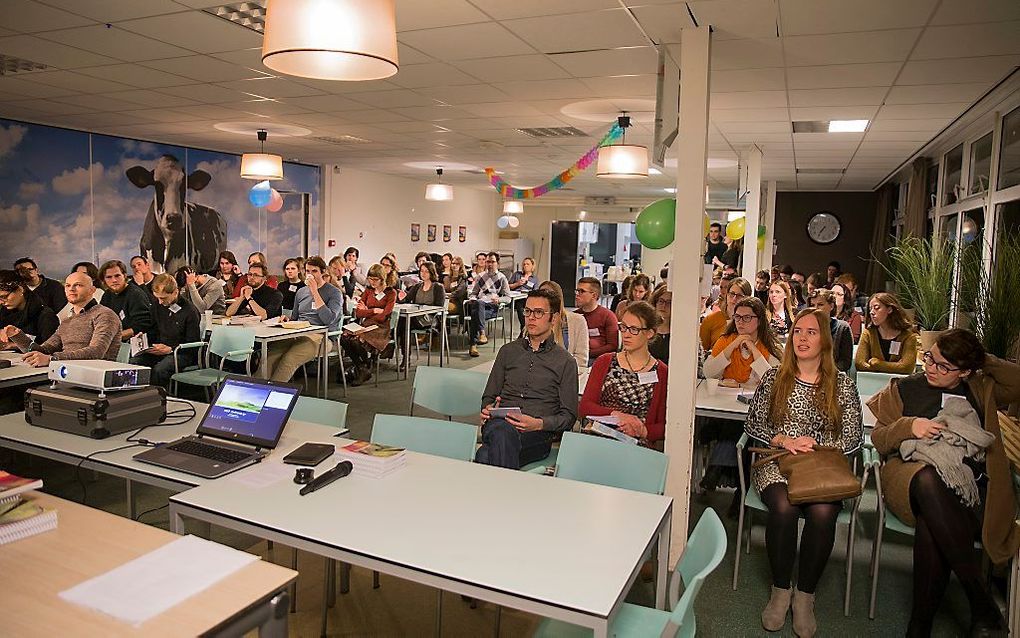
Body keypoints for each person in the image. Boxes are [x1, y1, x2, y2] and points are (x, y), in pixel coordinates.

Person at [868, 329, 1020, 636]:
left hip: (970, 487)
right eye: (929, 359)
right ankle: (979, 601)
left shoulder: (980, 387)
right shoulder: (903, 387)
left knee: (932, 523)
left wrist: (981, 359)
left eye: (943, 366)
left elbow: (1017, 382)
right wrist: (910, 426)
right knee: (928, 480)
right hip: (909, 475)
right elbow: (879, 439)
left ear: (965, 371)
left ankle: (920, 624)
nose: (931, 369)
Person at [744, 308, 863, 636]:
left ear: (825, 340)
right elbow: (753, 422)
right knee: (784, 507)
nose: (803, 338)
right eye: (798, 331)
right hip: (777, 461)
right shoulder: (774, 376)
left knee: (823, 512)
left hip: (822, 464)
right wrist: (783, 438)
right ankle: (781, 591)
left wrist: (815, 441)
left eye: (811, 332)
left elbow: (853, 436)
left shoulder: (841, 384)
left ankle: (805, 596)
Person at [475, 289, 578, 469]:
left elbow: (568, 417)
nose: (531, 317)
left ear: (553, 319)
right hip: (500, 424)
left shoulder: (565, 362)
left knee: (484, 454)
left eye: (538, 312)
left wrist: (538, 424)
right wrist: (488, 408)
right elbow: (488, 396)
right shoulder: (508, 352)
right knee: (502, 431)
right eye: (528, 311)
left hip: (536, 435)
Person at [580, 301, 668, 445]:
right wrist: (618, 416)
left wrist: (643, 431)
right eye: (623, 327)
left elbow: (665, 425)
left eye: (634, 329)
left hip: (636, 444)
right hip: (600, 438)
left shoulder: (662, 372)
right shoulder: (605, 361)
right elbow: (585, 406)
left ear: (649, 333)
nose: (626, 334)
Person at [3, 271, 121, 366]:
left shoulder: (105, 315)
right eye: (68, 285)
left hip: (93, 376)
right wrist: (18, 336)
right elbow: (43, 350)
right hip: (67, 373)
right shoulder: (67, 321)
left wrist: (52, 359)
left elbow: (96, 352)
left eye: (78, 285)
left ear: (92, 290)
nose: (71, 289)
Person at [265, 256, 343, 383]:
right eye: (307, 271)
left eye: (314, 271)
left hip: (322, 336)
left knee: (290, 359)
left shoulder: (334, 292)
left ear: (323, 272)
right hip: (299, 332)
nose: (310, 275)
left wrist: (314, 292)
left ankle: (273, 391)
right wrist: (287, 319)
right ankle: (255, 388)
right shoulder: (301, 292)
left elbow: (328, 319)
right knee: (270, 356)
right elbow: (295, 318)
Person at [129, 274, 201, 389]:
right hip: (159, 348)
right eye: (157, 298)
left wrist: (170, 349)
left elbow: (193, 343)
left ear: (175, 292)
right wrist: (143, 337)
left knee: (160, 370)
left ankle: (158, 397)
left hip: (181, 352)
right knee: (135, 362)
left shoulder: (190, 311)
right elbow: (153, 330)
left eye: (163, 298)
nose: (160, 302)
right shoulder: (157, 306)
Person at [704, 297, 781, 385]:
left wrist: (753, 349)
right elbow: (708, 374)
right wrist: (733, 345)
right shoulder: (725, 340)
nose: (740, 322)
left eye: (747, 317)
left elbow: (774, 381)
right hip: (725, 396)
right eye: (737, 317)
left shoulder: (768, 345)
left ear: (759, 320)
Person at [341, 263, 396, 386]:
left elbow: (384, 316)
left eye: (375, 279)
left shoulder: (391, 293)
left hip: (380, 328)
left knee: (357, 339)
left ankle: (363, 367)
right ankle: (363, 367)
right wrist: (374, 310)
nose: (372, 282)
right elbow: (359, 313)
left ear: (382, 279)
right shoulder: (368, 291)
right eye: (370, 279)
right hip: (366, 324)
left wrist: (367, 311)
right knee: (344, 338)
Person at [855, 292, 918, 374]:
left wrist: (878, 364)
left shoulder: (908, 337)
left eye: (876, 308)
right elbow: (859, 363)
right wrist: (894, 367)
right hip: (871, 382)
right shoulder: (868, 333)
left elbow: (906, 367)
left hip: (898, 384)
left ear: (889, 309)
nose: (872, 312)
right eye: (870, 309)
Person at [398, 260, 445, 370]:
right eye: (422, 271)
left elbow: (439, 306)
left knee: (403, 323)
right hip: (415, 317)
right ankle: (405, 358)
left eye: (426, 271)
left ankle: (400, 355)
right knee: (402, 322)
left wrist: (423, 309)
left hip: (430, 319)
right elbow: (406, 300)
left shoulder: (438, 287)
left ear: (432, 273)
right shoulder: (417, 286)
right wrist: (399, 298)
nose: (423, 274)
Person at [465, 252, 510, 357]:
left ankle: (473, 345)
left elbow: (508, 298)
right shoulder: (481, 276)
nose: (490, 264)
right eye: (488, 261)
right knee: (478, 305)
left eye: (492, 262)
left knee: (475, 313)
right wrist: (472, 298)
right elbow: (474, 293)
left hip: (492, 307)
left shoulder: (502, 278)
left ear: (497, 263)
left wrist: (498, 299)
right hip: (480, 305)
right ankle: (481, 333)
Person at [0, 270, 58, 348]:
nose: (0, 302)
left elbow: (51, 349)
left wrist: (14, 345)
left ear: (21, 289)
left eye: (4, 297)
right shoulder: (3, 314)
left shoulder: (46, 315)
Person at [538, 280, 588, 369]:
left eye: (549, 296)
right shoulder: (532, 321)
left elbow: (581, 360)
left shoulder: (577, 321)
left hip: (568, 374)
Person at [99, 259, 152, 342]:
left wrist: (115, 337)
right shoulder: (107, 295)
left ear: (124, 275)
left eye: (117, 276)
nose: (114, 280)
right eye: (109, 277)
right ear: (104, 280)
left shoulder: (135, 294)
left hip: (134, 345)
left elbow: (142, 325)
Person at [574, 277, 619, 365]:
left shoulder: (608, 316)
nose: (577, 295)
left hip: (599, 359)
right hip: (577, 358)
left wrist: (588, 353)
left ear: (594, 296)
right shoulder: (574, 316)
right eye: (577, 291)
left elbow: (613, 346)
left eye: (581, 291)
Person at [700, 277, 752, 352]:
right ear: (727, 295)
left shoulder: (752, 321)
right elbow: (702, 351)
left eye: (739, 295)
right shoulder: (710, 319)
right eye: (732, 294)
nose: (734, 299)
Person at [808, 288, 853, 372]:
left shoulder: (842, 328)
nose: (815, 309)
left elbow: (845, 362)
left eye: (820, 304)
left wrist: (823, 372)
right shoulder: (804, 327)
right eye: (812, 305)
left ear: (831, 306)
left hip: (831, 375)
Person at [509, 257, 539, 332]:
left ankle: (524, 329)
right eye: (524, 264)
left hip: (526, 299)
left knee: (523, 304)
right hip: (514, 299)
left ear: (532, 266)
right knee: (520, 304)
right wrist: (517, 284)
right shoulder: (517, 274)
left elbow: (535, 292)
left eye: (528, 264)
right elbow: (508, 286)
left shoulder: (534, 279)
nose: (525, 266)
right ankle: (524, 328)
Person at [648, 286, 672, 364]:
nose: (664, 306)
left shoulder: (680, 334)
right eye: (661, 301)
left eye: (669, 302)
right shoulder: (646, 329)